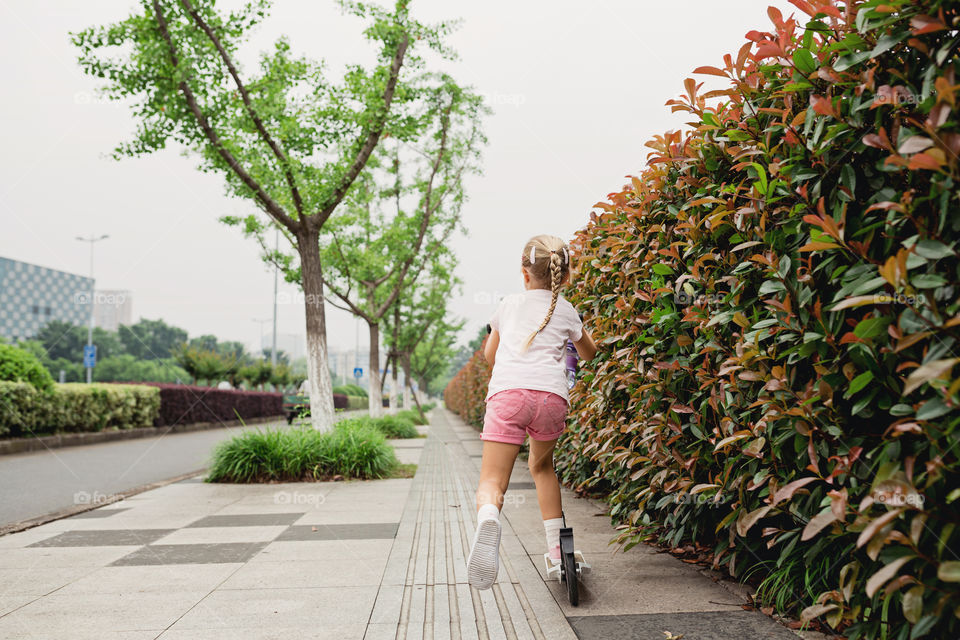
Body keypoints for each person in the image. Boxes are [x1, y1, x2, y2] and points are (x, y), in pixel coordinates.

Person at [466, 234, 597, 590]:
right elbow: (589, 353)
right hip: (551, 399)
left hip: (508, 396)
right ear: (566, 276)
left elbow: (490, 357)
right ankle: (558, 551)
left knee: (493, 481)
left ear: (525, 274)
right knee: (541, 467)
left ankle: (490, 516)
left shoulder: (508, 304)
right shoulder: (567, 310)